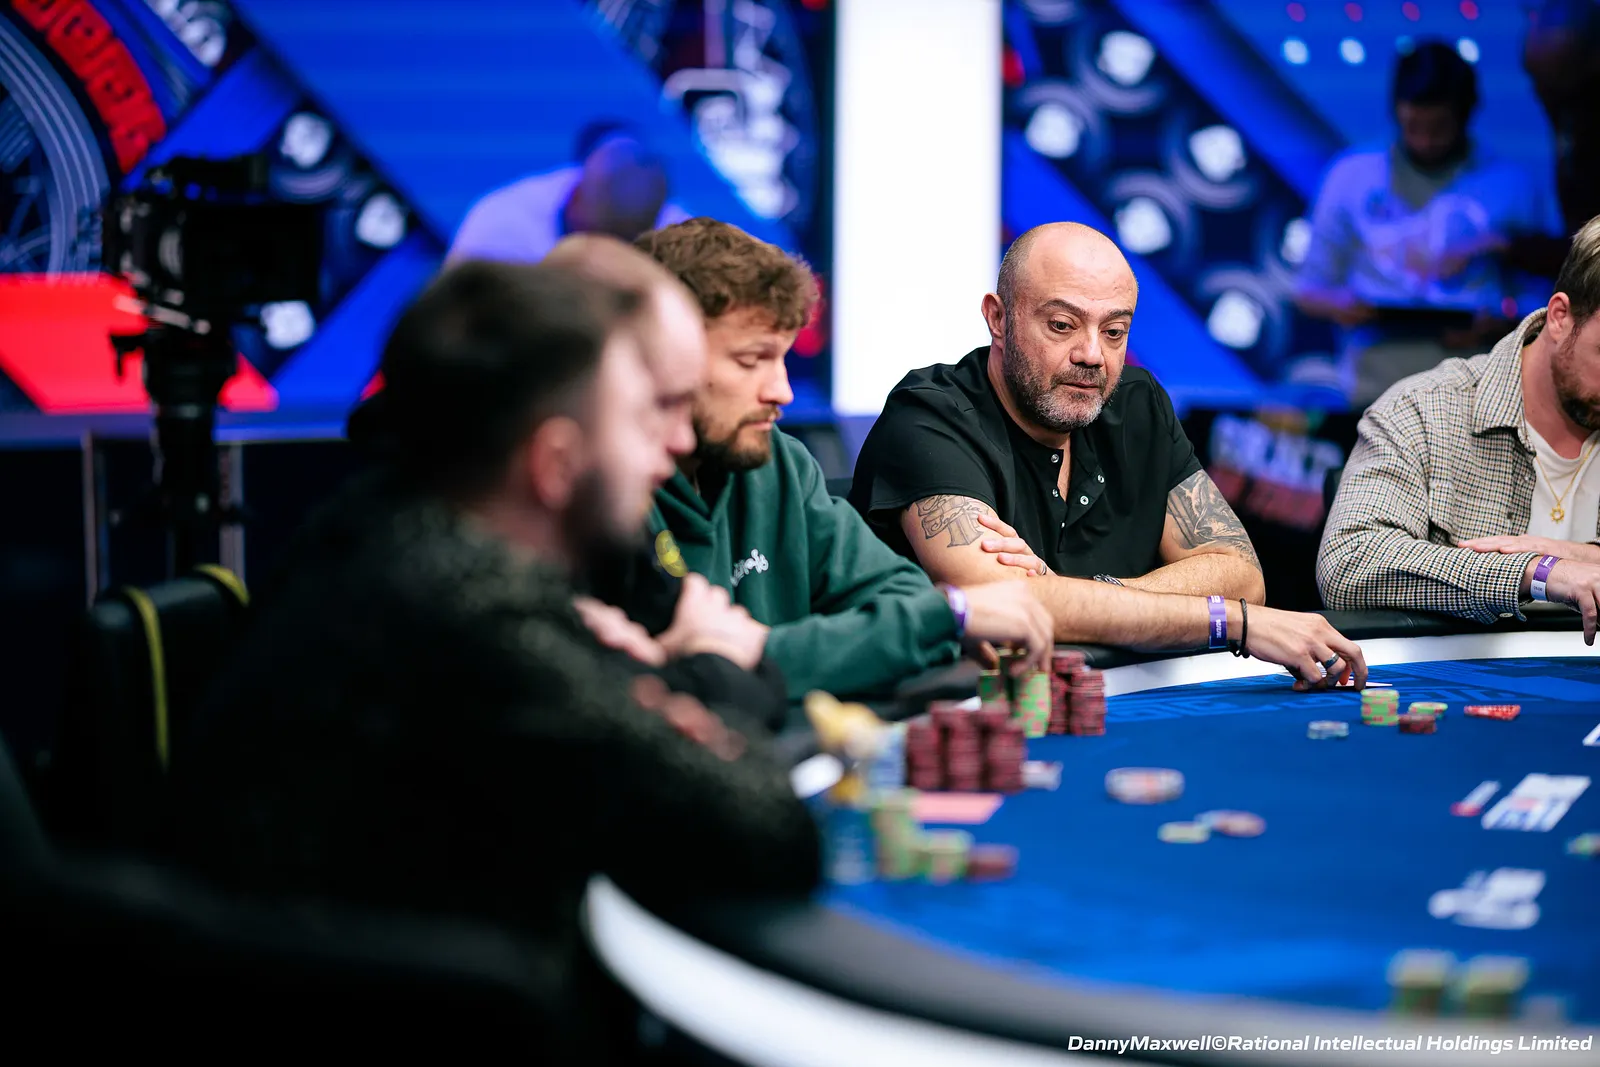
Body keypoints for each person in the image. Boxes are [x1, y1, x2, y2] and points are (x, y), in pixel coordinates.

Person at [173, 260, 820, 1061]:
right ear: (555, 465)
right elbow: (766, 832)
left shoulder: (383, 530)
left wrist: (641, 684)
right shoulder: (470, 609)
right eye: (641, 417)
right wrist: (684, 679)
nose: (677, 444)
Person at [850, 222, 1367, 688]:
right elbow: (1004, 604)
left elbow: (1242, 576)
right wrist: (1231, 622)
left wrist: (1077, 593)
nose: (1092, 355)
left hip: (1122, 703)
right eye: (1062, 325)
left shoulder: (1137, 404)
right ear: (998, 318)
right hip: (947, 713)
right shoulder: (929, 418)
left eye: (1114, 331)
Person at [636, 217, 1056, 700]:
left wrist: (763, 652)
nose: (782, 392)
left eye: (784, 359)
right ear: (665, 360)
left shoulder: (780, 463)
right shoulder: (609, 498)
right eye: (751, 360)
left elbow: (915, 610)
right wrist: (933, 621)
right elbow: (687, 683)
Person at [1319, 214, 1600, 642]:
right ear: (1560, 316)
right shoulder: (1424, 409)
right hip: (1462, 681)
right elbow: (1348, 564)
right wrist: (1537, 572)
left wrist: (1579, 555)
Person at [1295, 41, 1563, 407]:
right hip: (1374, 390)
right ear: (1396, 112)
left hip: (1476, 392)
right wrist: (1345, 306)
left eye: (1439, 128)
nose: (1424, 140)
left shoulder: (1511, 185)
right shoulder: (1351, 176)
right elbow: (1308, 289)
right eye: (1412, 126)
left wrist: (1504, 324)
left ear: (1466, 116)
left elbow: (1545, 303)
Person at [447, 121, 689, 265]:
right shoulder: (501, 228)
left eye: (623, 240)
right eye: (598, 234)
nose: (605, 249)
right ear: (575, 197)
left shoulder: (678, 239)